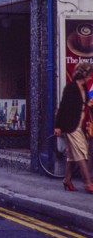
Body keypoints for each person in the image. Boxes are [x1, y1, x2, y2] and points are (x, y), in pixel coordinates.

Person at [54, 62, 93, 193]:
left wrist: (88, 103)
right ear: (84, 74)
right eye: (90, 74)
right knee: (82, 151)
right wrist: (58, 126)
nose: (91, 77)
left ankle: (67, 180)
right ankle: (88, 182)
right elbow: (63, 107)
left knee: (71, 155)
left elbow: (81, 106)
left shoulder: (84, 87)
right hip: (70, 126)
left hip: (79, 124)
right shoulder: (71, 87)